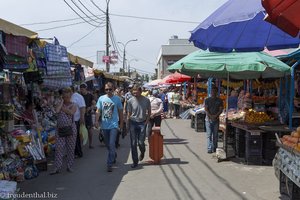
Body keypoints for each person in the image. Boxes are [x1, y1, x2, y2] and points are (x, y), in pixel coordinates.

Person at [94, 82, 123, 172]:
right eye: (106, 89)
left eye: (110, 89)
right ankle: (113, 154)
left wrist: (121, 123)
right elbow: (98, 110)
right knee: (107, 145)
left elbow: (120, 112)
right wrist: (96, 121)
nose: (108, 91)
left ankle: (109, 164)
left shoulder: (117, 99)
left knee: (111, 144)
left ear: (113, 89)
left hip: (114, 125)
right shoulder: (101, 98)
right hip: (104, 126)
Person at [50, 87, 77, 175]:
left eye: (67, 97)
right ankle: (57, 167)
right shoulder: (60, 104)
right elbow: (57, 111)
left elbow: (71, 112)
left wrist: (63, 108)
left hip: (70, 129)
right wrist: (61, 102)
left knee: (70, 148)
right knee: (58, 148)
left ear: (70, 96)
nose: (66, 99)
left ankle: (70, 166)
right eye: (64, 97)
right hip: (60, 130)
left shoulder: (74, 104)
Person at [127, 85, 151, 168]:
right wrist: (127, 123)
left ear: (140, 91)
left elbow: (149, 112)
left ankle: (143, 151)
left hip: (142, 123)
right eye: (133, 91)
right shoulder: (130, 101)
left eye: (136, 91)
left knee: (141, 142)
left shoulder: (146, 100)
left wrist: (146, 122)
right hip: (133, 123)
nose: (134, 93)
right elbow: (129, 113)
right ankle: (135, 161)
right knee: (133, 143)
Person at [205, 86, 223, 154]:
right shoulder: (207, 100)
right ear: (211, 92)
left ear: (216, 92)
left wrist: (215, 116)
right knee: (209, 135)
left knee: (215, 135)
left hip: (216, 119)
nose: (213, 92)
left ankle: (215, 148)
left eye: (214, 91)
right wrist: (211, 116)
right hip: (208, 120)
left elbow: (220, 109)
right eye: (212, 91)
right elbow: (206, 109)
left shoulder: (220, 100)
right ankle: (209, 148)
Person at [71, 86, 86, 158]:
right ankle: (74, 152)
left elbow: (82, 107)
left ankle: (78, 152)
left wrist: (82, 118)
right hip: (70, 120)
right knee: (73, 137)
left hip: (76, 120)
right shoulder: (69, 97)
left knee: (76, 137)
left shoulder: (78, 96)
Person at [80, 83, 95, 149]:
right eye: (81, 89)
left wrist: (90, 107)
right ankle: (81, 145)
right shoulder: (80, 96)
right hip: (81, 115)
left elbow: (94, 104)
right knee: (81, 130)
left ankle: (90, 144)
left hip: (88, 115)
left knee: (90, 130)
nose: (81, 90)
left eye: (83, 89)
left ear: (86, 88)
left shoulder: (90, 95)